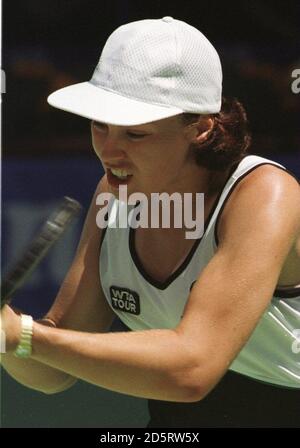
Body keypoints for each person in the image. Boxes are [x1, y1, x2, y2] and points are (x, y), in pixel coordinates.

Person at [1, 17, 300, 428]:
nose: (110, 151)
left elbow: (191, 370)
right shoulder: (112, 192)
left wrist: (27, 336)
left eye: (135, 135)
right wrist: (9, 337)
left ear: (200, 128)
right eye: (99, 126)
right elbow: (53, 372)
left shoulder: (265, 193)